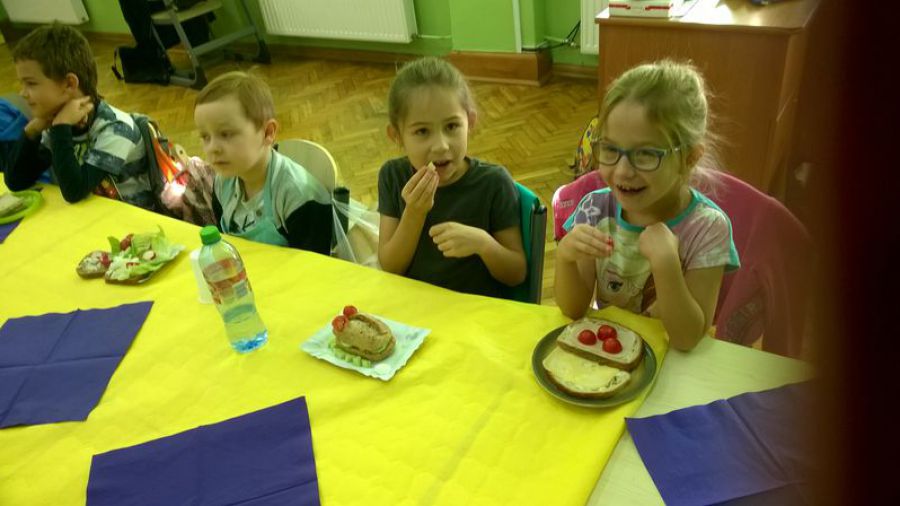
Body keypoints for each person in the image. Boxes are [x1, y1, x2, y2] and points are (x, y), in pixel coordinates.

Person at [556, 60, 740, 351]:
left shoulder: (707, 228)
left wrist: (666, 264)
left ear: (689, 157)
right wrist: (565, 257)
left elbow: (687, 339)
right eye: (611, 149)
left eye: (646, 154)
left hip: (673, 364)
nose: (623, 171)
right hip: (610, 356)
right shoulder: (595, 209)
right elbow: (573, 309)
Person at [377, 57, 526, 298]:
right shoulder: (393, 176)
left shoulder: (494, 183)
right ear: (396, 136)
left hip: (476, 311)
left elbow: (516, 273)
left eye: (451, 127)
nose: (441, 145)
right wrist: (414, 212)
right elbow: (391, 267)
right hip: (415, 307)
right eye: (422, 131)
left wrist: (483, 244)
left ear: (470, 122)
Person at [4, 24, 156, 210]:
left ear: (69, 84)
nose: (22, 93)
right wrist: (32, 130)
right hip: (91, 213)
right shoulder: (55, 124)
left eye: (31, 83)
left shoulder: (116, 128)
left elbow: (74, 191)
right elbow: (16, 181)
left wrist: (60, 127)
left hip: (133, 219)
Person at [193, 71, 332, 253]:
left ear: (268, 132)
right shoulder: (223, 182)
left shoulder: (297, 196)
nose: (212, 148)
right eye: (205, 136)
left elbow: (314, 264)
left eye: (226, 134)